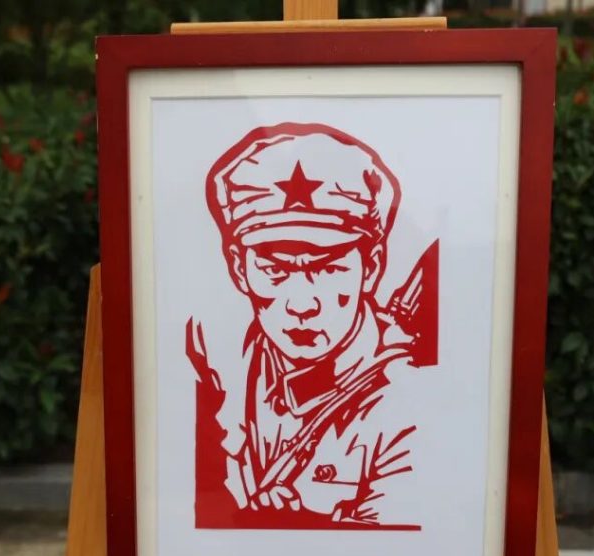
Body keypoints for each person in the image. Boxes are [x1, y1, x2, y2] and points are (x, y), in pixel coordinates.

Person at [187, 122, 438, 530]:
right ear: (238, 268)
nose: (302, 304)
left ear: (372, 266)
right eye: (274, 269)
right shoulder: (214, 362)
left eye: (330, 268)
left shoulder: (412, 400)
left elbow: (404, 551)